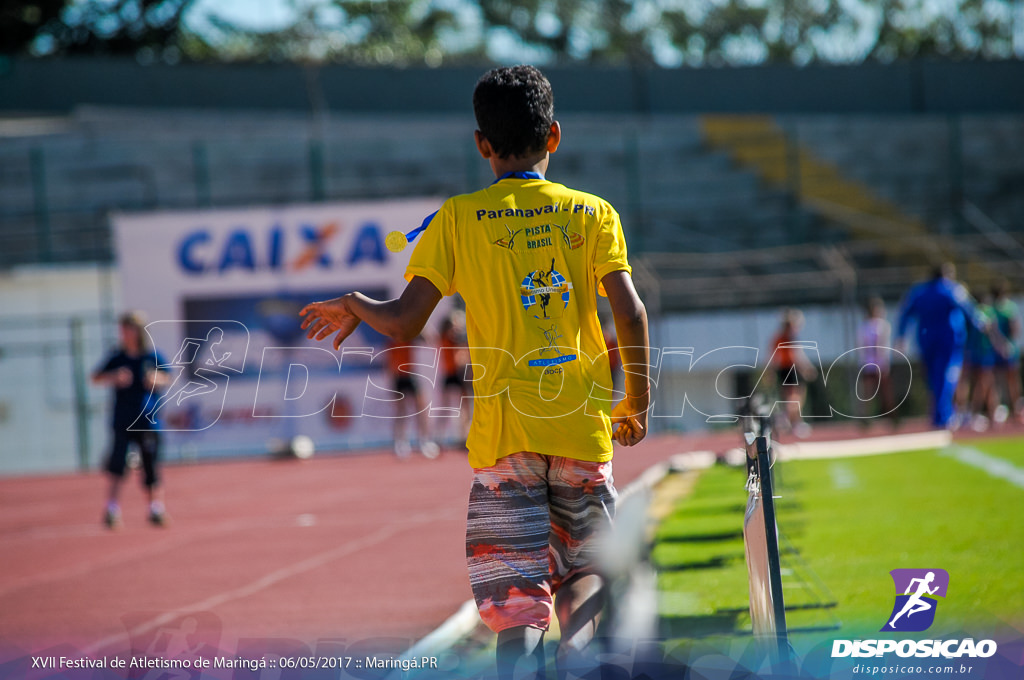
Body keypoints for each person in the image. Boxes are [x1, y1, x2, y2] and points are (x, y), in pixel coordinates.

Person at [300, 65, 650, 680]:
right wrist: (635, 404)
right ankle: (579, 660)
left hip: (503, 439)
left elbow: (406, 323)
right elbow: (631, 313)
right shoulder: (594, 213)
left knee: (518, 607)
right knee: (585, 571)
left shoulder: (457, 218)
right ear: (555, 137)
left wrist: (355, 303)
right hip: (581, 426)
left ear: (482, 144)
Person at [92, 312, 171, 528]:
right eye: (123, 329)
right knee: (117, 465)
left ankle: (156, 508)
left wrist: (156, 378)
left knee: (151, 465)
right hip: (123, 420)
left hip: (146, 420)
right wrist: (113, 377)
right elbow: (96, 376)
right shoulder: (117, 357)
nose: (125, 333)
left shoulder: (152, 356)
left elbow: (168, 377)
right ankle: (112, 509)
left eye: (129, 329)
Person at [895, 263, 987, 430]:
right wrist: (981, 323)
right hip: (948, 340)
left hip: (925, 339)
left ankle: (938, 415)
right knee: (947, 375)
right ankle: (944, 416)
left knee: (933, 377)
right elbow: (969, 310)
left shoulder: (919, 291)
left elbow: (905, 313)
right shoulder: (951, 289)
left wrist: (901, 336)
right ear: (945, 274)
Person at [385, 337, 440, 459]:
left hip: (410, 375)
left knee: (421, 408)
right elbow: (389, 361)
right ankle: (400, 443)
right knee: (401, 412)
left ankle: (424, 441)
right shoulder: (391, 340)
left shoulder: (409, 336)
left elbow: (428, 337)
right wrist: (391, 380)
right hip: (398, 377)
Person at [767, 308, 817, 438]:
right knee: (796, 398)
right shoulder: (788, 338)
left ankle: (795, 424)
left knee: (791, 398)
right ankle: (784, 418)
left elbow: (772, 356)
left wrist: (771, 372)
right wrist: (806, 368)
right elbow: (796, 356)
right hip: (791, 369)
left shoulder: (779, 337)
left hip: (783, 370)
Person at [856, 298, 895, 424]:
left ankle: (890, 414)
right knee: (870, 392)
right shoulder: (869, 326)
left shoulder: (878, 325)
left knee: (883, 391)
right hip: (872, 364)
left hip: (875, 364)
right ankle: (866, 416)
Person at [991, 279, 1023, 424]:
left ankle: (1003, 409)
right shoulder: (1007, 308)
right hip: (1006, 348)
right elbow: (1015, 328)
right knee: (1009, 380)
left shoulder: (995, 308)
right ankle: (1013, 409)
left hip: (1000, 349)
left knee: (1000, 380)